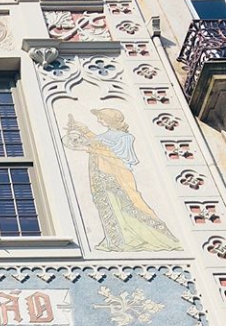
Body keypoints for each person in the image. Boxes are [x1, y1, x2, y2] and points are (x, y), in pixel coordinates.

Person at [63, 108, 181, 252]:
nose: (99, 120)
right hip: (101, 178)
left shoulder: (125, 138)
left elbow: (117, 156)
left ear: (111, 120)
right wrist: (83, 129)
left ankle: (154, 238)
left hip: (117, 177)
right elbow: (96, 142)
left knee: (129, 206)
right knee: (110, 207)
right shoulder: (106, 135)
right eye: (99, 118)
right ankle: (117, 240)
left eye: (102, 118)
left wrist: (89, 149)